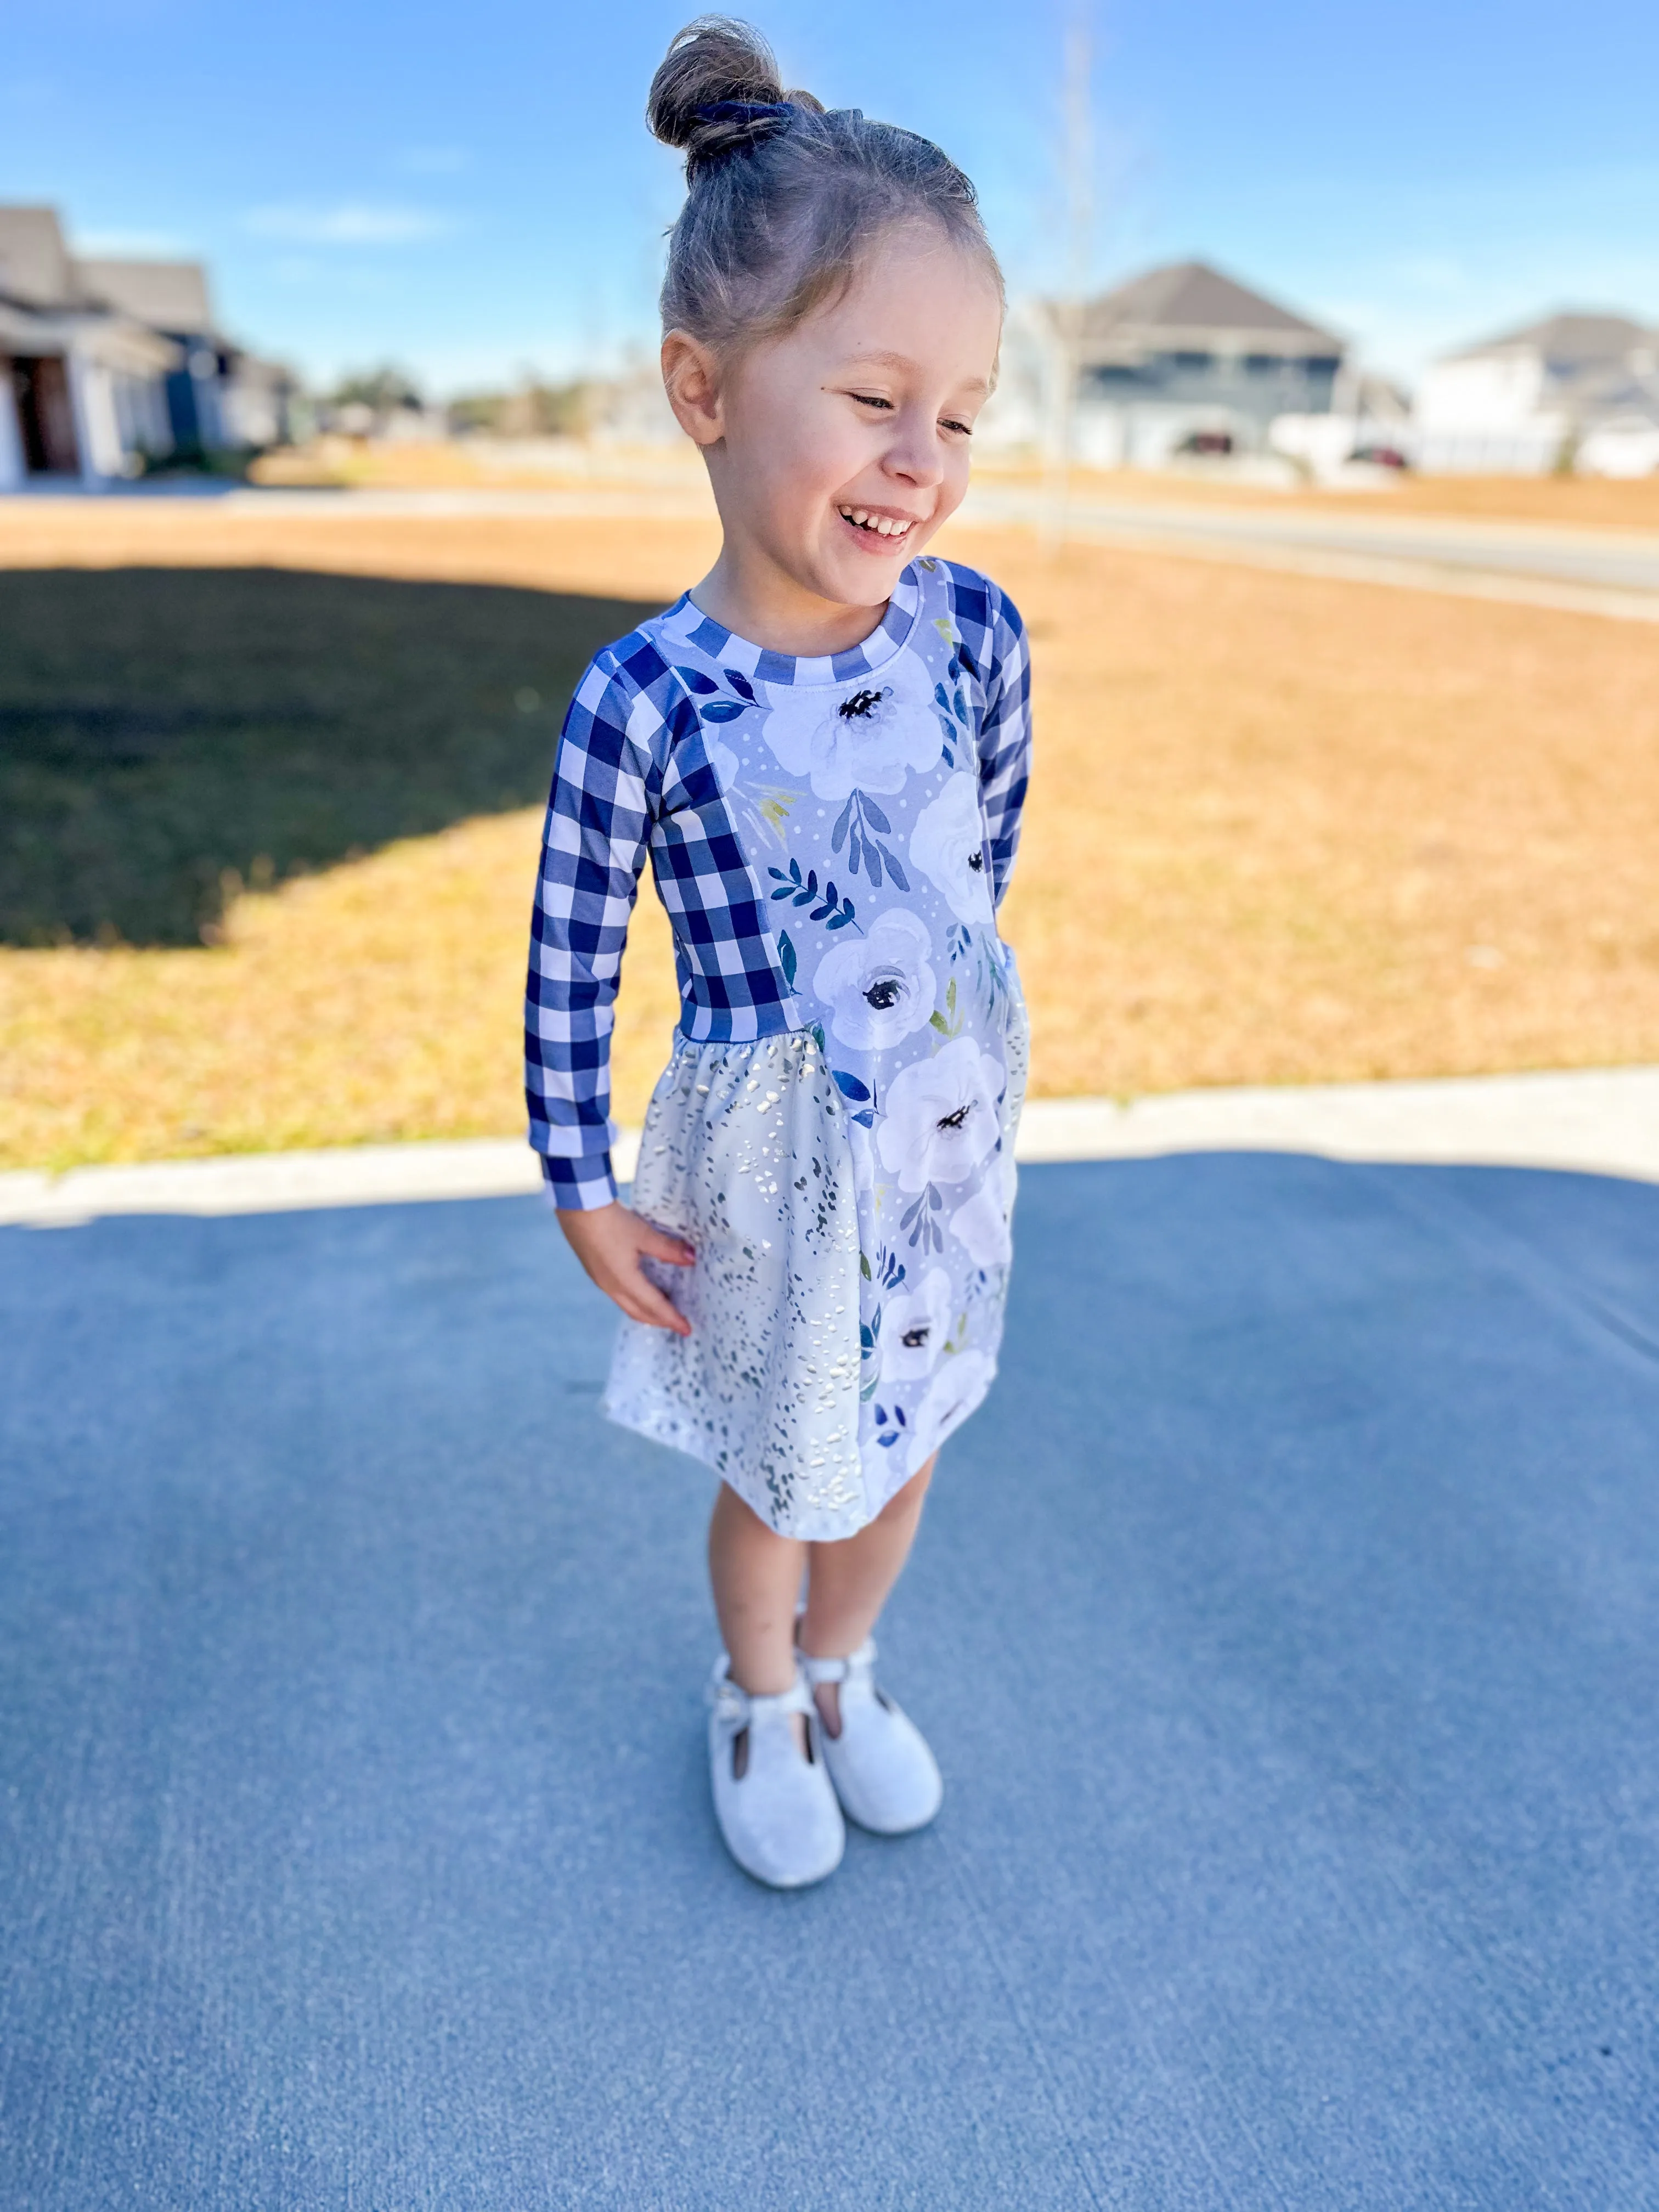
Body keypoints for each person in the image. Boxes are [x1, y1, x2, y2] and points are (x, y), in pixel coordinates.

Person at [524, 15, 1032, 1888]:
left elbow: (988, 846)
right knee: (784, 1465)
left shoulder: (973, 635)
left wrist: (964, 1050)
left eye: (965, 412)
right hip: (775, 1173)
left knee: (905, 1447)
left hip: (946, 1148)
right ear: (706, 386)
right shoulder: (646, 697)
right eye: (878, 397)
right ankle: (754, 1691)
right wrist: (580, 1183)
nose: (928, 459)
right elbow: (571, 960)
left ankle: (845, 1666)